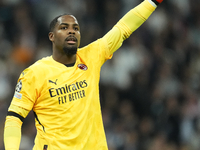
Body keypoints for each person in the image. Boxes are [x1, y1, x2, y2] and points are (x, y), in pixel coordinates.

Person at [4, 0, 163, 149]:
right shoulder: (34, 73)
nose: (71, 31)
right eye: (64, 27)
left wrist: (152, 2)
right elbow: (14, 118)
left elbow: (122, 29)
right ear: (52, 36)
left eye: (75, 28)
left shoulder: (91, 56)